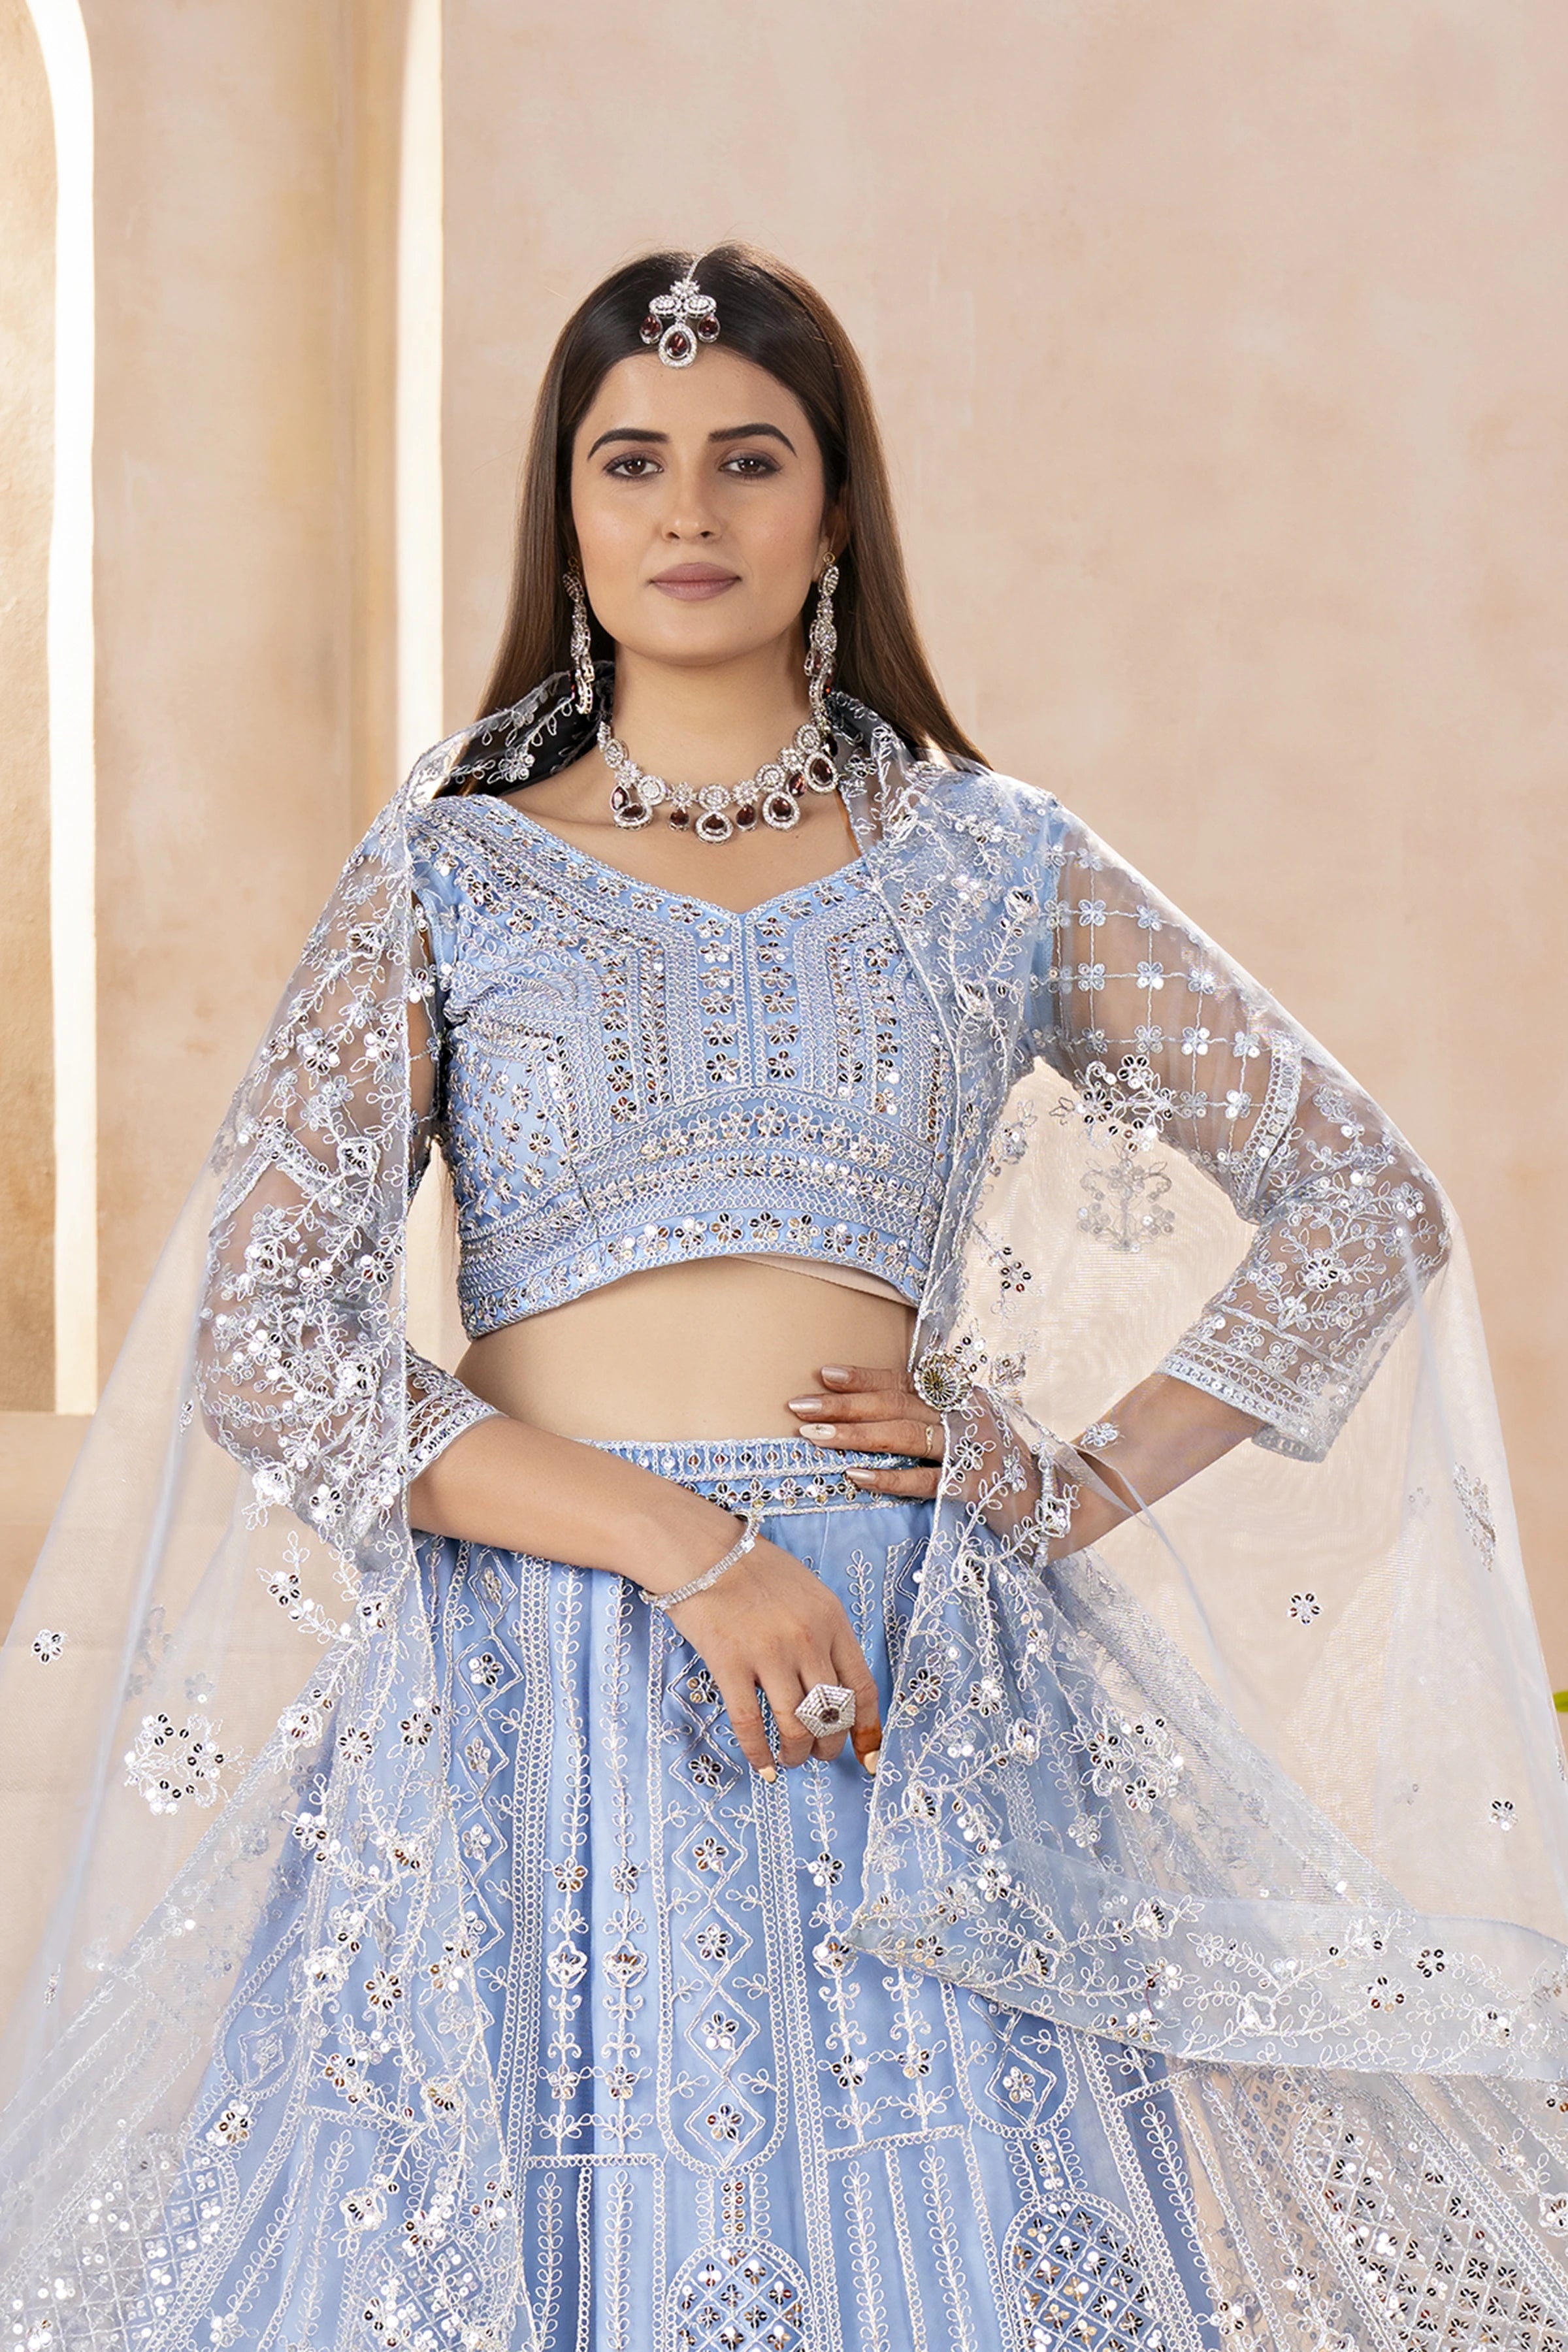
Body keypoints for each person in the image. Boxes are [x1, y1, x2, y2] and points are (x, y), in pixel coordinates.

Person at [3, 246, 1566, 2352]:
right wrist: (688, 1544)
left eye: (751, 461)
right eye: (631, 463)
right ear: (565, 511)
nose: (688, 515)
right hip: (525, 1692)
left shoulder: (991, 862)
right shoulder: (452, 868)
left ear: (837, 510)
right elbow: (269, 1333)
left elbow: (1360, 1199)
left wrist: (1081, 1479)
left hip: (908, 1697)